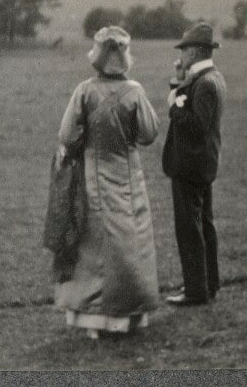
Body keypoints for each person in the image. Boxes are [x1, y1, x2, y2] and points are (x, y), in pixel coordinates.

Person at [54, 26, 160, 339]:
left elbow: (67, 135)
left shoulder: (85, 91)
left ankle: (94, 316)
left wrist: (82, 144)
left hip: (93, 170)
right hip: (127, 172)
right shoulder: (135, 91)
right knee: (130, 237)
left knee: (94, 240)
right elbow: (148, 133)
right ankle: (128, 312)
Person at [162, 22, 227, 307]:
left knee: (189, 228)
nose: (181, 55)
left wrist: (174, 107)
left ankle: (195, 290)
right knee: (204, 226)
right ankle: (207, 283)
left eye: (185, 50)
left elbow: (197, 125)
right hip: (203, 164)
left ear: (197, 51)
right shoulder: (210, 78)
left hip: (190, 166)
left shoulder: (205, 84)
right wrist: (178, 83)